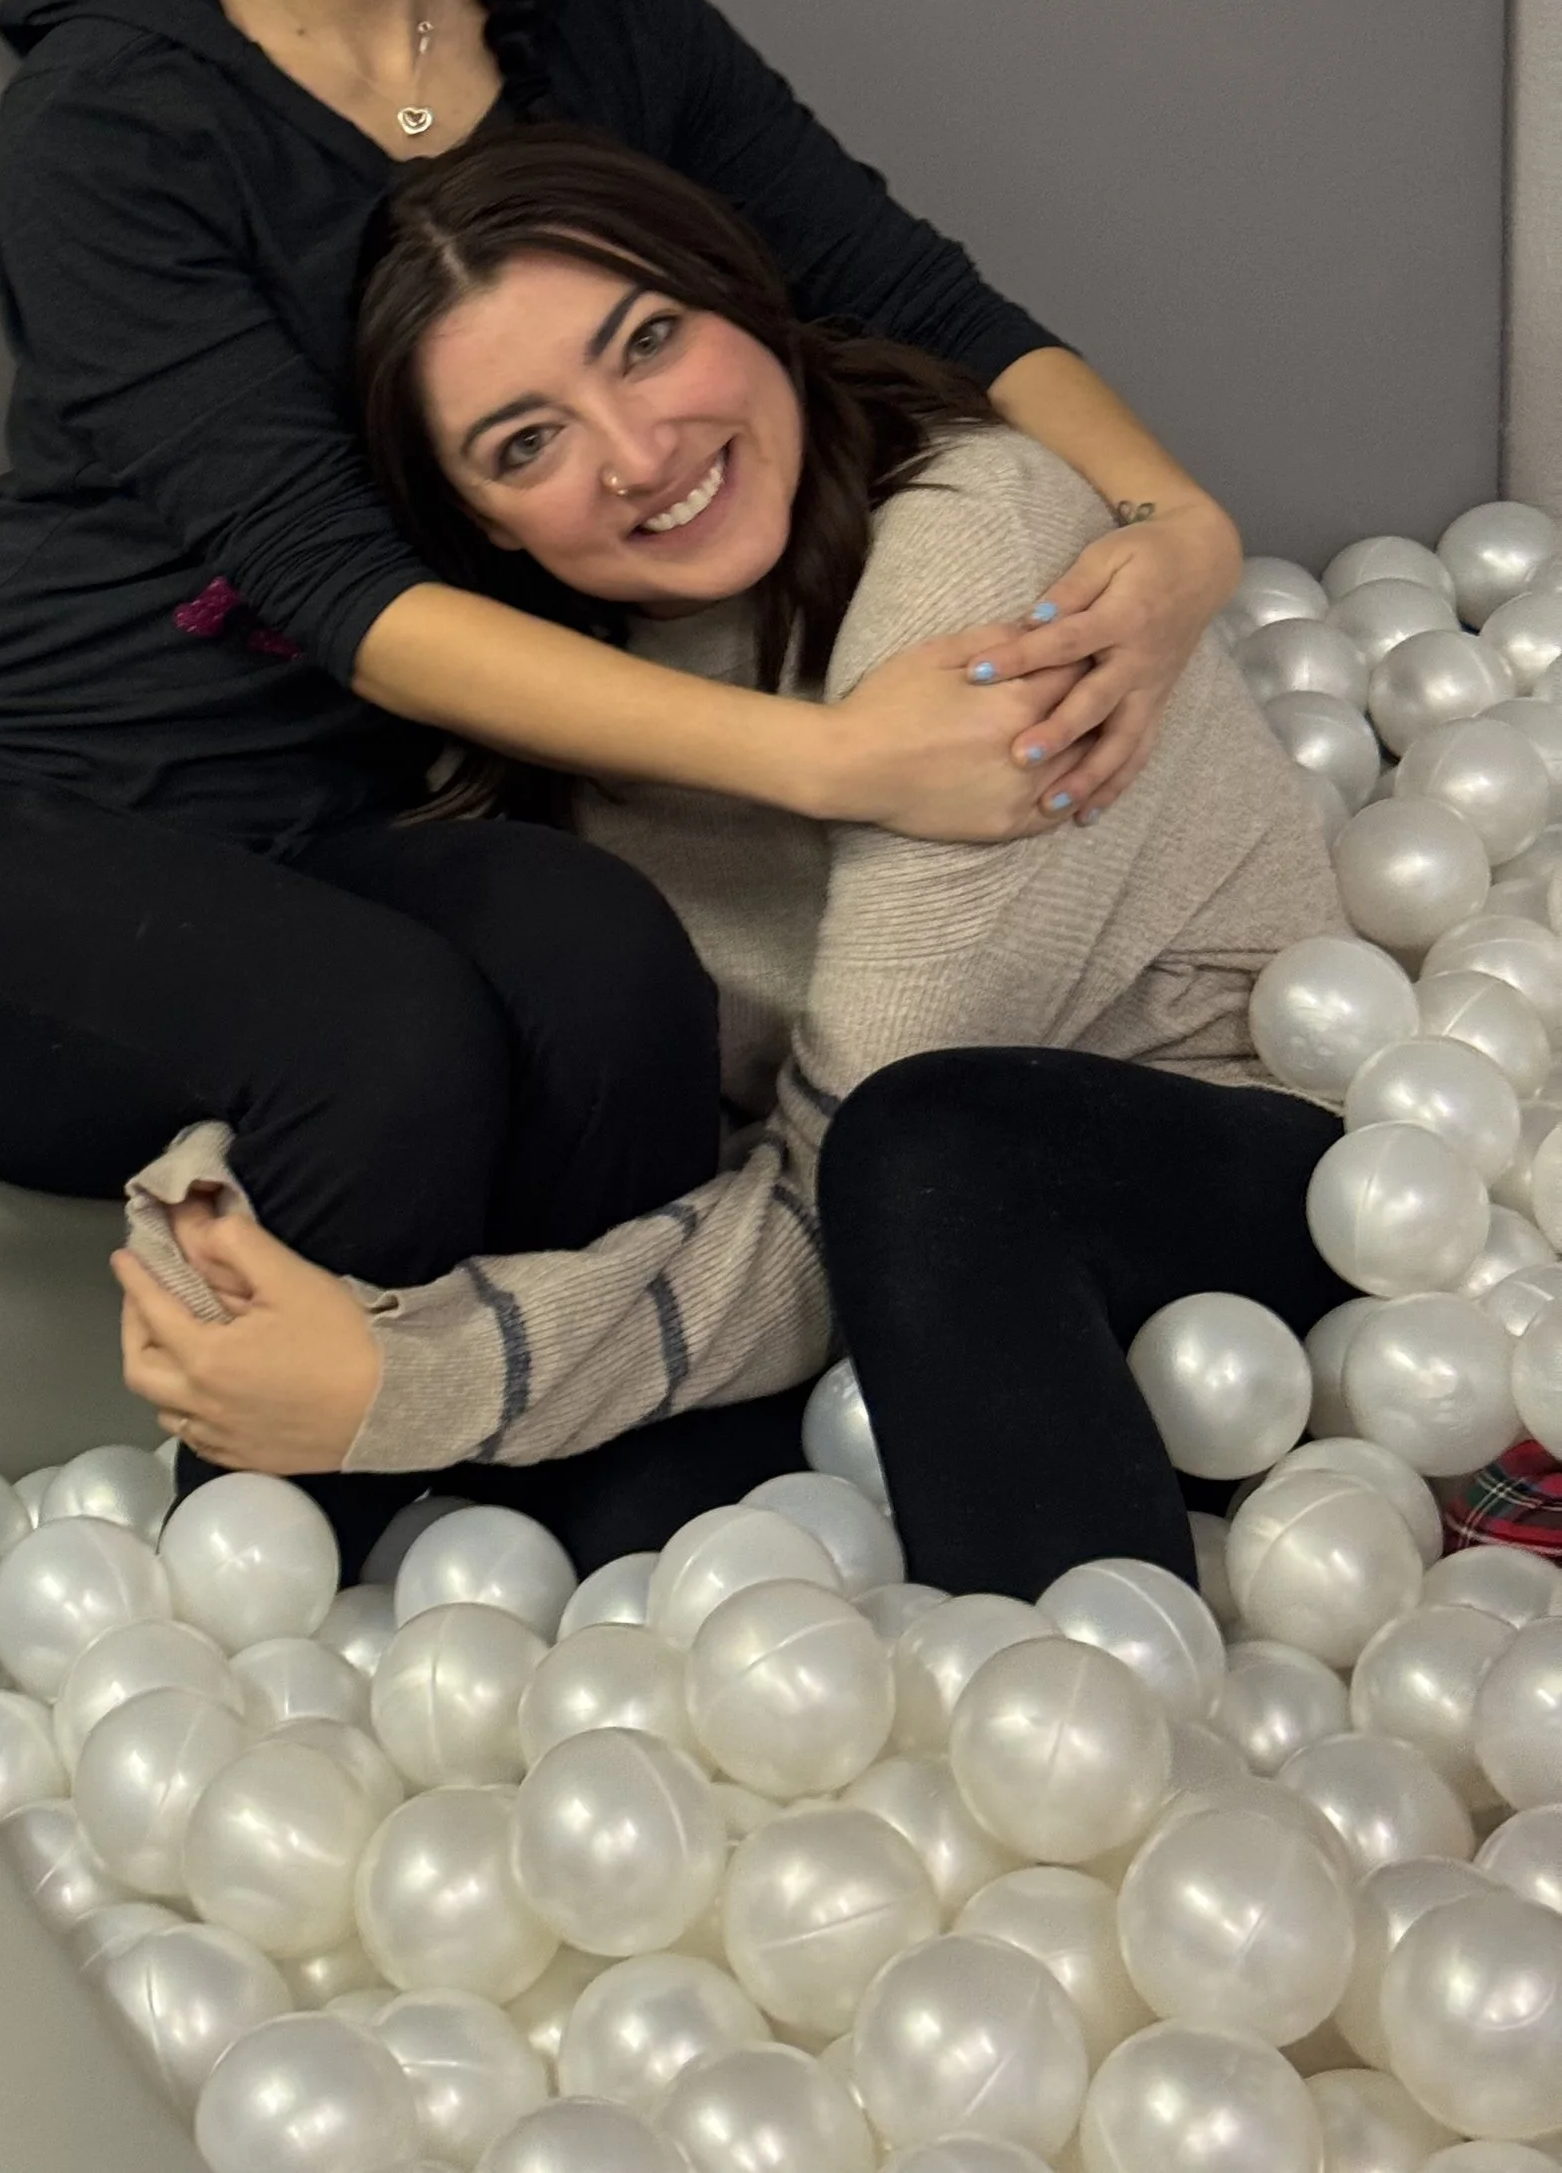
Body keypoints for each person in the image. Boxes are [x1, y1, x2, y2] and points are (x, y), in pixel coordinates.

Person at [0, 0, 1245, 1474]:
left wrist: (1171, 522)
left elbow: (917, 292)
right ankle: (325, 1606)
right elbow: (348, 601)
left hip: (361, 832)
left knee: (601, 960)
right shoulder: (113, 119)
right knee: (380, 1044)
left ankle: (631, 1527)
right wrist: (834, 760)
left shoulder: (589, 15)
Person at [114, 127, 1346, 1596]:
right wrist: (212, 1224)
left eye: (647, 343)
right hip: (869, 1269)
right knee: (631, 1551)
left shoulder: (972, 561)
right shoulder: (567, 700)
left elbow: (856, 1178)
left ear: (740, 296)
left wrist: (404, 1382)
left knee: (928, 1150)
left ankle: (1093, 1736)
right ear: (471, 525)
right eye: (528, 443)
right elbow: (399, 952)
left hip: (1235, 1208)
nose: (639, 458)